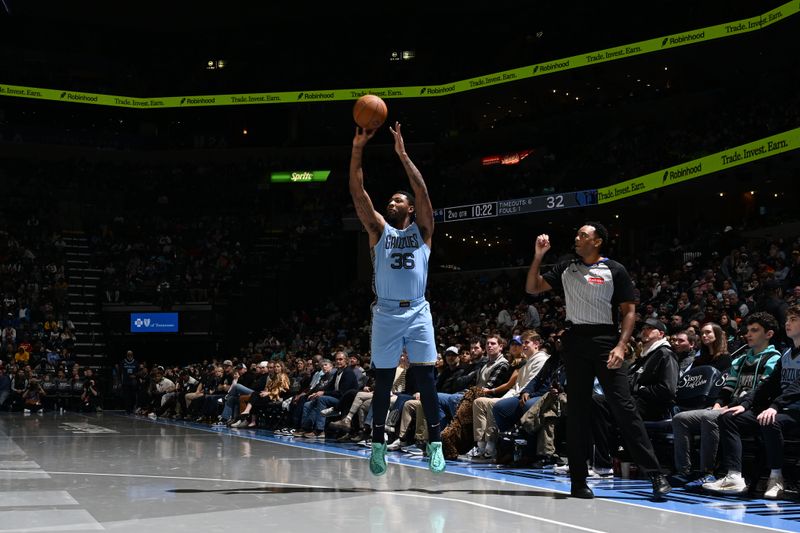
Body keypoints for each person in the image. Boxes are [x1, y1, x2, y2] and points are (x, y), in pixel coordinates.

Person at [525, 223, 671, 500]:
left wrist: (621, 344)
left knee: (624, 408)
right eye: (577, 234)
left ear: (598, 241)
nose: (577, 238)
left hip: (606, 341)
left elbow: (629, 312)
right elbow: (533, 287)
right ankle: (578, 482)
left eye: (583, 235)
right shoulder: (566, 266)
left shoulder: (615, 270)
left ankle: (656, 474)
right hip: (575, 342)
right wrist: (538, 255)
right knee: (578, 413)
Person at [349, 121, 445, 476]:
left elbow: (423, 193)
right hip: (387, 313)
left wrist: (403, 155)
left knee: (426, 379)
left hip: (419, 310)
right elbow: (358, 192)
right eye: (390, 199)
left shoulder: (423, 231)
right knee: (384, 380)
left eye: (398, 199)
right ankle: (378, 444)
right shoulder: (378, 230)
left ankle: (435, 443)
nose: (392, 201)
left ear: (409, 208)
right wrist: (358, 148)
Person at [703, 309, 797, 499]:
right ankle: (734, 475)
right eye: (787, 319)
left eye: (794, 319)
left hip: (795, 410)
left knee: (770, 421)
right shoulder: (787, 353)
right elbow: (767, 385)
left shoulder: (778, 354)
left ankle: (776, 478)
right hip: (781, 408)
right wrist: (745, 404)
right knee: (729, 417)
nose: (788, 323)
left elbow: (797, 386)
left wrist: (775, 406)